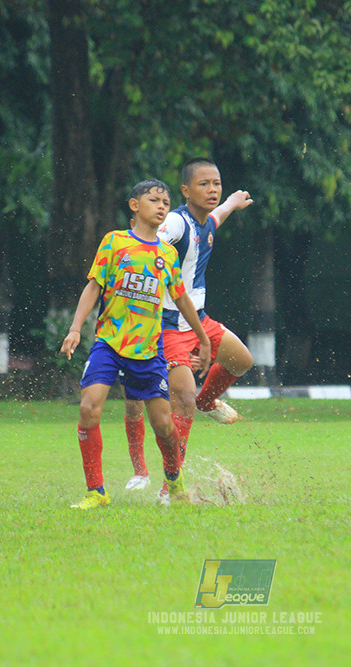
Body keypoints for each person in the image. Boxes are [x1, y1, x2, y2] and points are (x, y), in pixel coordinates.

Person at [60, 179, 211, 510]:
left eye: (166, 203)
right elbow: (93, 287)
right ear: (134, 205)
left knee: (163, 424)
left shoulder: (167, 253)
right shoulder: (114, 243)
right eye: (154, 200)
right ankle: (96, 492)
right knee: (89, 408)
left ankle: (173, 478)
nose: (161, 207)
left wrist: (201, 337)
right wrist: (74, 329)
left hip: (148, 350)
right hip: (109, 344)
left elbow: (181, 299)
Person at [121, 158, 254, 498]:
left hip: (198, 320)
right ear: (185, 191)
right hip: (166, 325)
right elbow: (153, 238)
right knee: (182, 403)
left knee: (242, 361)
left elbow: (217, 216)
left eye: (216, 183)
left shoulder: (206, 220)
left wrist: (232, 203)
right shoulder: (176, 223)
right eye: (204, 184)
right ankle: (170, 488)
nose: (212, 190)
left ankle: (208, 400)